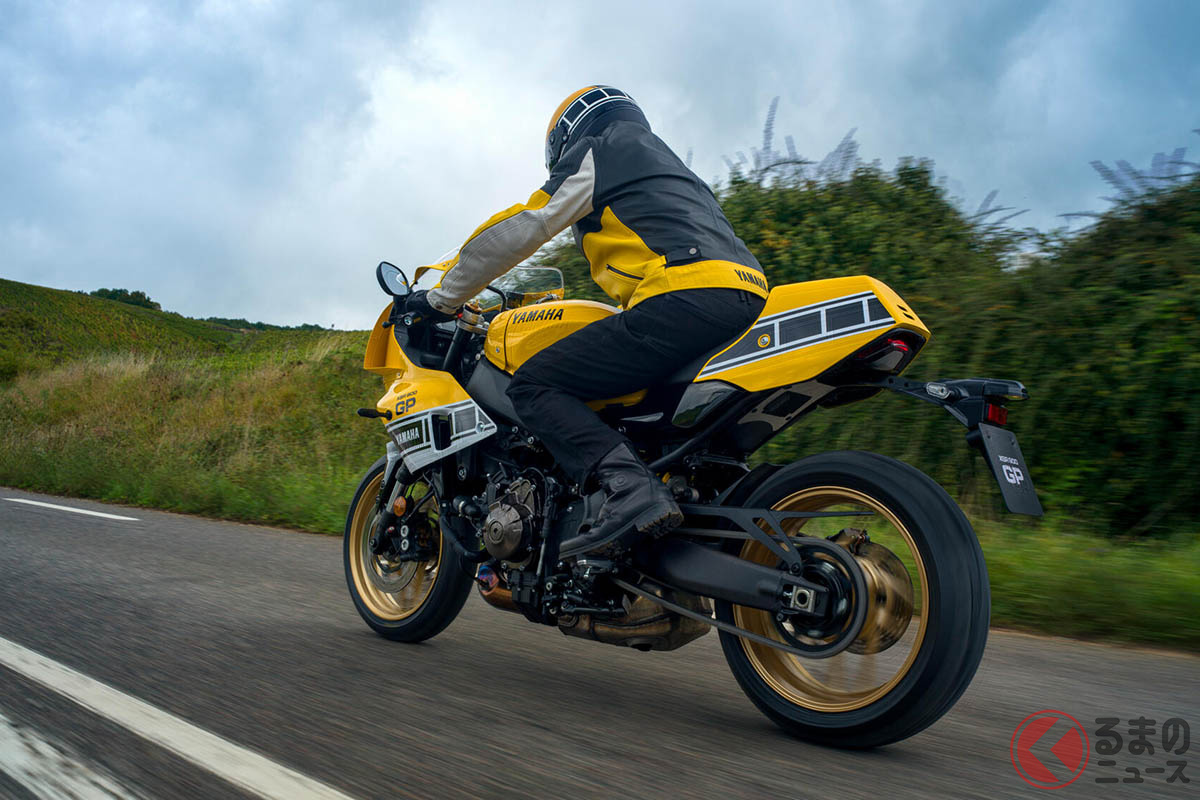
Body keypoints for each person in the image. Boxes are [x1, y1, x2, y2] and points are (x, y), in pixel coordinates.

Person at [405, 86, 767, 557]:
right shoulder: (676, 171)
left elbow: (528, 223)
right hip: (746, 295)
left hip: (683, 295)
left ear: (567, 135)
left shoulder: (603, 148)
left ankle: (630, 490)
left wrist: (442, 296)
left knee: (534, 385)